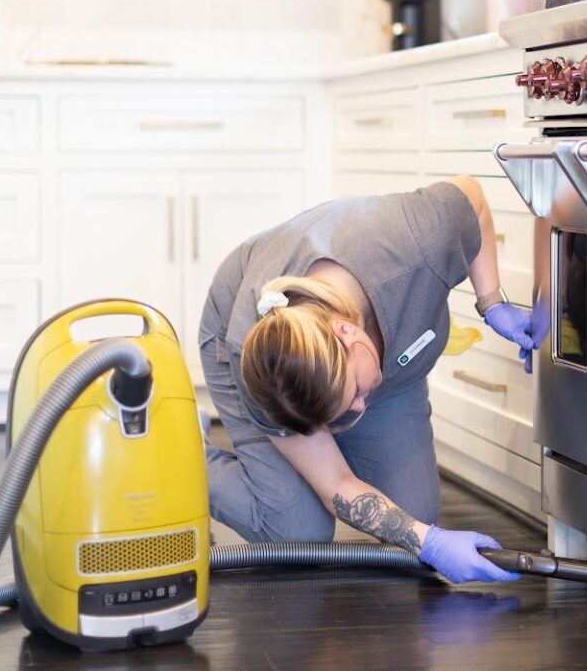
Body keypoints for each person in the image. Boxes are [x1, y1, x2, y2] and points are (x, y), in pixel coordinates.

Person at [197, 175, 537, 584]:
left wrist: (493, 301)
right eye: (344, 409)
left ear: (347, 332)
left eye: (355, 394)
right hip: (239, 331)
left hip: (384, 358)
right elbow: (336, 483)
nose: (359, 410)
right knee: (297, 533)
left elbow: (473, 196)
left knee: (413, 518)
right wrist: (429, 544)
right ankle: (184, 458)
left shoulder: (416, 238)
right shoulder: (270, 376)